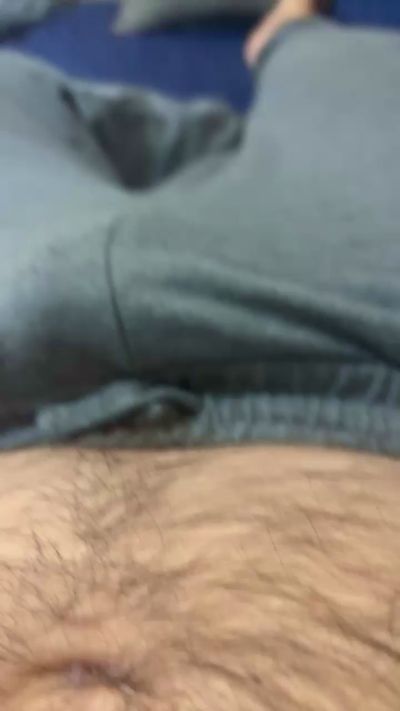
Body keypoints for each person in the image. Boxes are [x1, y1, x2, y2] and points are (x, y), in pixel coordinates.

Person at [1, 1, 400, 709]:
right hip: (358, 342)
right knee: (350, 77)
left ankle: (274, 56)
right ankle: (281, 55)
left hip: (30, 380)